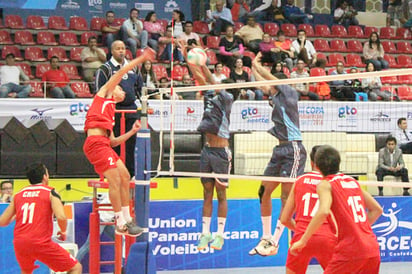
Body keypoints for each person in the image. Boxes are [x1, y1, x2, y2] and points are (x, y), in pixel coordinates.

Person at [84, 48, 154, 236]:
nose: (122, 89)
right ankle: (120, 221)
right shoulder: (104, 93)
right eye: (120, 87)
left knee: (124, 176)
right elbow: (121, 72)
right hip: (95, 144)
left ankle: (127, 219)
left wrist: (132, 131)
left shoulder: (111, 112)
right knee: (115, 179)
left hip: (103, 145)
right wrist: (141, 58)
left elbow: (113, 142)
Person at [290, 145, 382, 273]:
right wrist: (359, 229)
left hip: (350, 250)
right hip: (372, 248)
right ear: (339, 162)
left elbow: (323, 212)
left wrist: (303, 241)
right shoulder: (352, 181)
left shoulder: (325, 184)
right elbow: (377, 209)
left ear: (316, 165)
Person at [249, 52, 307, 256]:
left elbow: (269, 81)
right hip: (280, 149)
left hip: (294, 149)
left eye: (272, 84)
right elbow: (262, 85)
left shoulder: (289, 92)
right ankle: (265, 237)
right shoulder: (275, 97)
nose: (268, 89)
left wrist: (258, 65)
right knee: (263, 192)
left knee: (286, 197)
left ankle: (275, 241)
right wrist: (252, 66)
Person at [0, 163, 82, 274]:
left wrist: (17, 215)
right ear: (45, 176)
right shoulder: (50, 192)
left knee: (26, 271)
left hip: (20, 243)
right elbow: (61, 217)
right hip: (40, 242)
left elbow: (2, 222)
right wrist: (63, 231)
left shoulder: (19, 195)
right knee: (75, 268)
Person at [193, 58, 239, 251]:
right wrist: (190, 57)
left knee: (221, 194)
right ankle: (205, 234)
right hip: (207, 151)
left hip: (221, 153)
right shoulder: (212, 99)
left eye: (221, 85)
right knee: (206, 193)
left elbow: (211, 82)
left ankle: (219, 235)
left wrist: (204, 64)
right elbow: (201, 80)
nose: (217, 86)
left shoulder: (228, 98)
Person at [280, 146, 337, 274]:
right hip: (326, 237)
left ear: (312, 163)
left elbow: (284, 219)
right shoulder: (333, 182)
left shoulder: (299, 180)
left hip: (301, 235)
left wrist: (303, 231)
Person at [95, 40, 144, 177]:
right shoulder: (105, 69)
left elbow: (140, 89)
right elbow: (100, 91)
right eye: (118, 49)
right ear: (112, 51)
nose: (121, 51)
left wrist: (144, 104)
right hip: (113, 110)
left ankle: (130, 174)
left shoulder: (133, 68)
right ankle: (111, 174)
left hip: (131, 110)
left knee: (130, 144)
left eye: (123, 48)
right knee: (112, 143)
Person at [76, 193, 115, 264]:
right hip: (101, 218)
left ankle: (120, 265)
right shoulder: (118, 191)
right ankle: (73, 265)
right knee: (88, 245)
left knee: (120, 240)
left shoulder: (118, 191)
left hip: (107, 219)